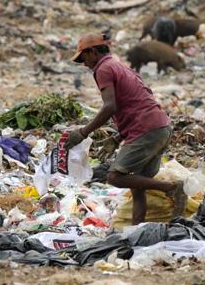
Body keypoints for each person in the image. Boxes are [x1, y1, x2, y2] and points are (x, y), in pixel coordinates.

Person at [64, 32, 187, 225]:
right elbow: (136, 100)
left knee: (115, 177)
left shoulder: (103, 69)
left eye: (83, 57)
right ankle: (136, 230)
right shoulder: (119, 66)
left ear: (93, 52)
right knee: (137, 186)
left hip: (146, 129)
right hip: (160, 126)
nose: (83, 63)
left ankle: (170, 188)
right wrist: (118, 137)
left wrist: (83, 132)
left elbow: (110, 106)